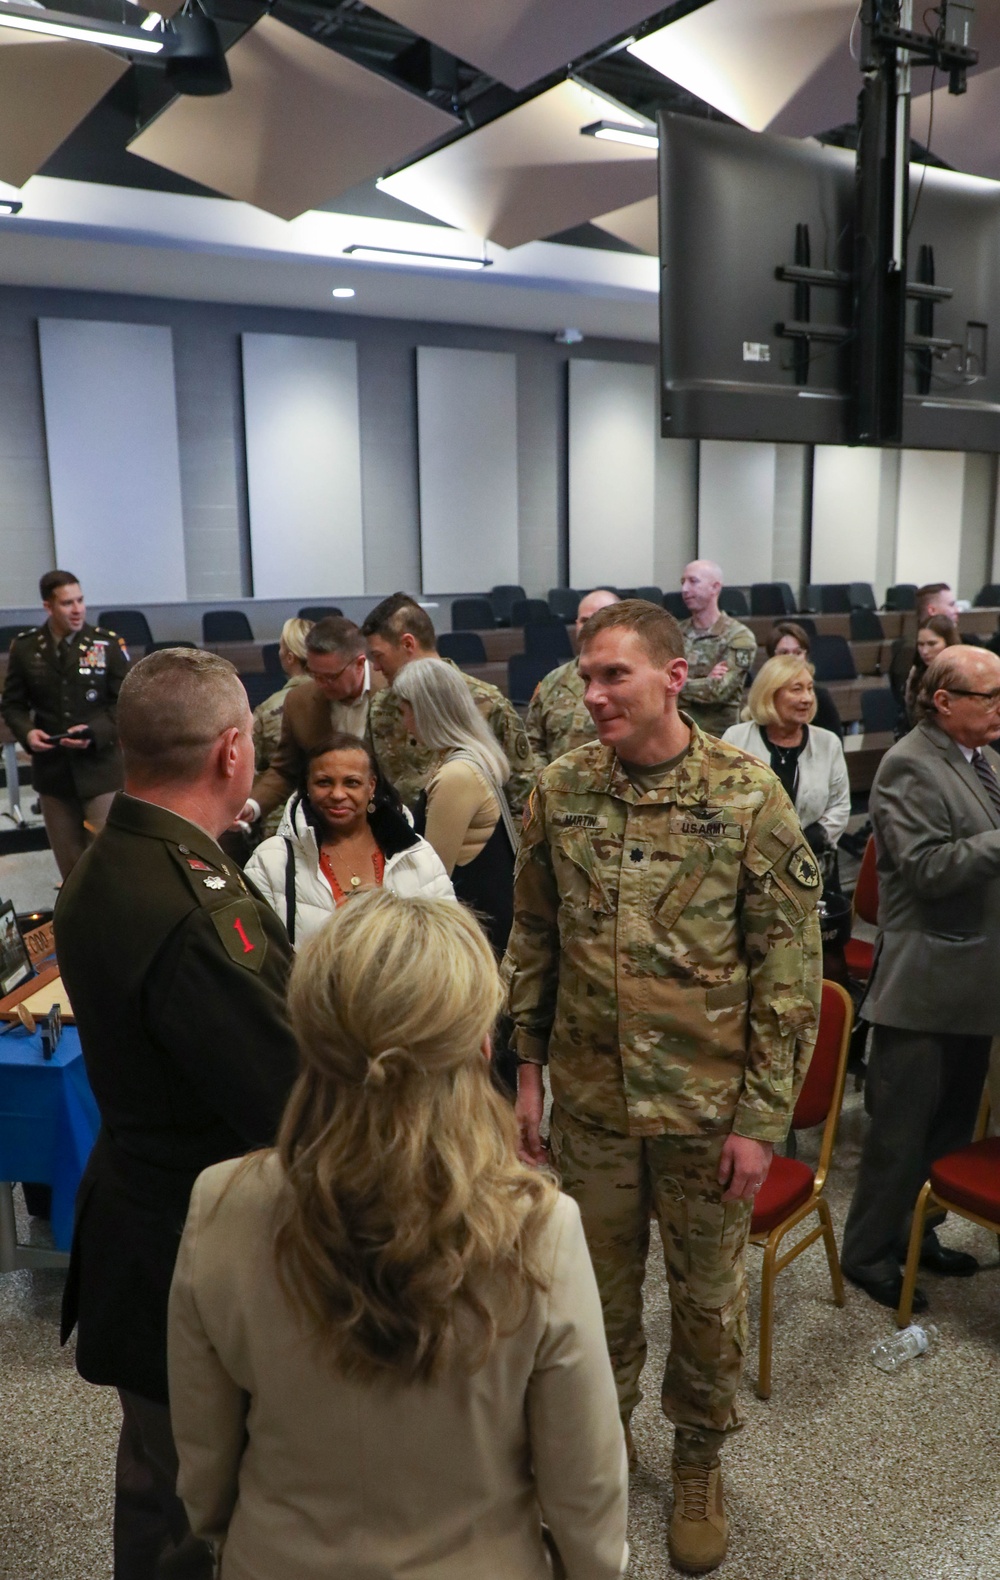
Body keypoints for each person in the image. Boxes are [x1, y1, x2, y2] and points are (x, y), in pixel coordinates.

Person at [168, 890, 629, 1580]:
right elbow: (584, 1487)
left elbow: (204, 1467)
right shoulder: (538, 1228)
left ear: (310, 1032)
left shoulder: (220, 1204)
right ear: (479, 1046)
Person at [506, 599, 822, 1575]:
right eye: (585, 675)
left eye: (613, 676)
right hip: (591, 1103)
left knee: (706, 1303)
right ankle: (599, 1451)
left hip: (708, 1109)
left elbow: (788, 969)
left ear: (673, 677)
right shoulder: (559, 788)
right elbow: (534, 931)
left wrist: (763, 1119)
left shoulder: (743, 791)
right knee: (588, 1307)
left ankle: (697, 1460)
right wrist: (525, 1070)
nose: (590, 693)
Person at [56, 648, 300, 1580]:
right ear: (233, 751)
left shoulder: (116, 855)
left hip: (149, 1214)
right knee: (193, 1510)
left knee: (159, 1483)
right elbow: (288, 1103)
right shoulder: (190, 905)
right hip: (190, 1243)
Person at [840, 644, 1000, 1310]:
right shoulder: (908, 765)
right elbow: (928, 871)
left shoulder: (982, 759)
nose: (999, 708)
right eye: (989, 697)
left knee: (949, 1129)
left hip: (974, 983)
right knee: (899, 1137)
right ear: (945, 701)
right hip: (924, 986)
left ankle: (919, 1232)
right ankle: (868, 1252)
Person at [245, 733, 454, 942]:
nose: (337, 794)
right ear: (307, 786)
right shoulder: (270, 861)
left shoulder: (419, 856)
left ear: (371, 786)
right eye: (324, 782)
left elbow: (449, 945)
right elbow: (258, 956)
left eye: (351, 783)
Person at [1, 569, 130, 877]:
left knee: (107, 863)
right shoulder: (26, 647)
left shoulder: (106, 645)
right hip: (54, 774)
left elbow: (123, 704)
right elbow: (13, 704)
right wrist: (27, 732)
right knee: (70, 868)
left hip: (100, 771)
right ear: (48, 606)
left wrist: (93, 733)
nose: (77, 610)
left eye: (81, 600)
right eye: (67, 603)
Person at [361, 591, 534, 817]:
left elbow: (522, 798)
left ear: (407, 644)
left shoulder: (487, 704)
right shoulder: (380, 707)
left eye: (378, 655)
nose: (375, 667)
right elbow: (372, 782)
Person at [393, 657, 515, 957]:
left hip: (472, 938)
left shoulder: (457, 775)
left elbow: (431, 875)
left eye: (404, 711)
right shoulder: (473, 757)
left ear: (425, 712)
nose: (403, 722)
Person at [243, 616, 382, 829]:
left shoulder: (393, 690)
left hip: (390, 818)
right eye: (315, 675)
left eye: (331, 677)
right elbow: (285, 770)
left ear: (360, 663)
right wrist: (253, 805)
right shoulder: (300, 701)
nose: (321, 684)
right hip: (325, 825)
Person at [723, 654, 851, 861]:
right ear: (770, 695)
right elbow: (722, 802)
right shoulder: (736, 739)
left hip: (811, 863)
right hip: (747, 863)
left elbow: (840, 806)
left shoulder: (828, 743)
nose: (808, 698)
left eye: (810, 688)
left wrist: (809, 840)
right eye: (797, 689)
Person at [525, 588, 620, 766]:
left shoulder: (631, 680)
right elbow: (532, 743)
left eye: (602, 621)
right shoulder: (552, 682)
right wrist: (546, 784)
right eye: (584, 621)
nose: (591, 628)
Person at [677, 560, 757, 735]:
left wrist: (677, 685)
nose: (684, 589)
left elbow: (719, 691)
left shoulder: (739, 636)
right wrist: (705, 680)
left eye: (693, 581)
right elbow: (657, 680)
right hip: (677, 733)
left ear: (715, 587)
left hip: (717, 738)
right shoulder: (675, 633)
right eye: (683, 582)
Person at [251, 617, 314, 838]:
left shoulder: (267, 710)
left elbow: (250, 769)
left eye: (280, 647)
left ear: (289, 658)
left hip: (278, 825)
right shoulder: (338, 700)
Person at [765, 621, 843, 736]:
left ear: (806, 656)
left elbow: (834, 745)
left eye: (798, 652)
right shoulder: (763, 694)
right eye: (784, 652)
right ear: (772, 658)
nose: (791, 658)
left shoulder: (819, 696)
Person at [903, 614, 960, 726]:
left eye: (932, 644)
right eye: (920, 644)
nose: (924, 651)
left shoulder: (962, 672)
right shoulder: (915, 672)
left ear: (947, 643)